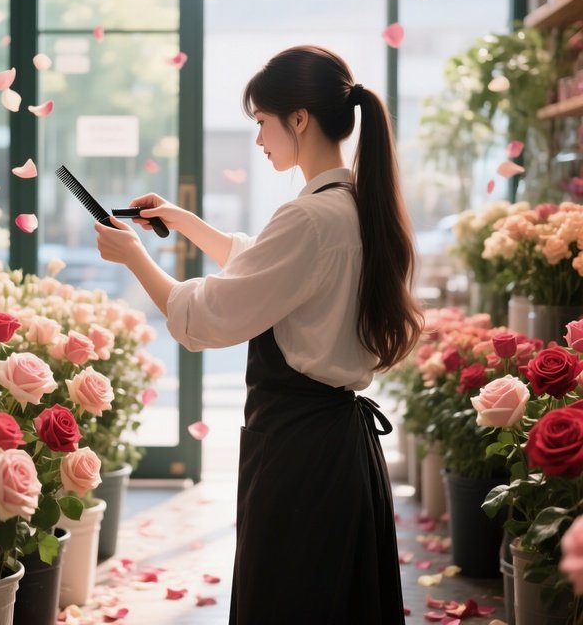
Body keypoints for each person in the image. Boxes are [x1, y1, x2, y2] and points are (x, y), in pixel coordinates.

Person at [94, 44, 423, 624]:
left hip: (302, 458)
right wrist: (184, 222)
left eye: (262, 123)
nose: (258, 139)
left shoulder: (310, 218)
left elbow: (213, 312)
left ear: (299, 118)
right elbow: (271, 271)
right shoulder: (349, 204)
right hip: (338, 454)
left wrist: (135, 257)